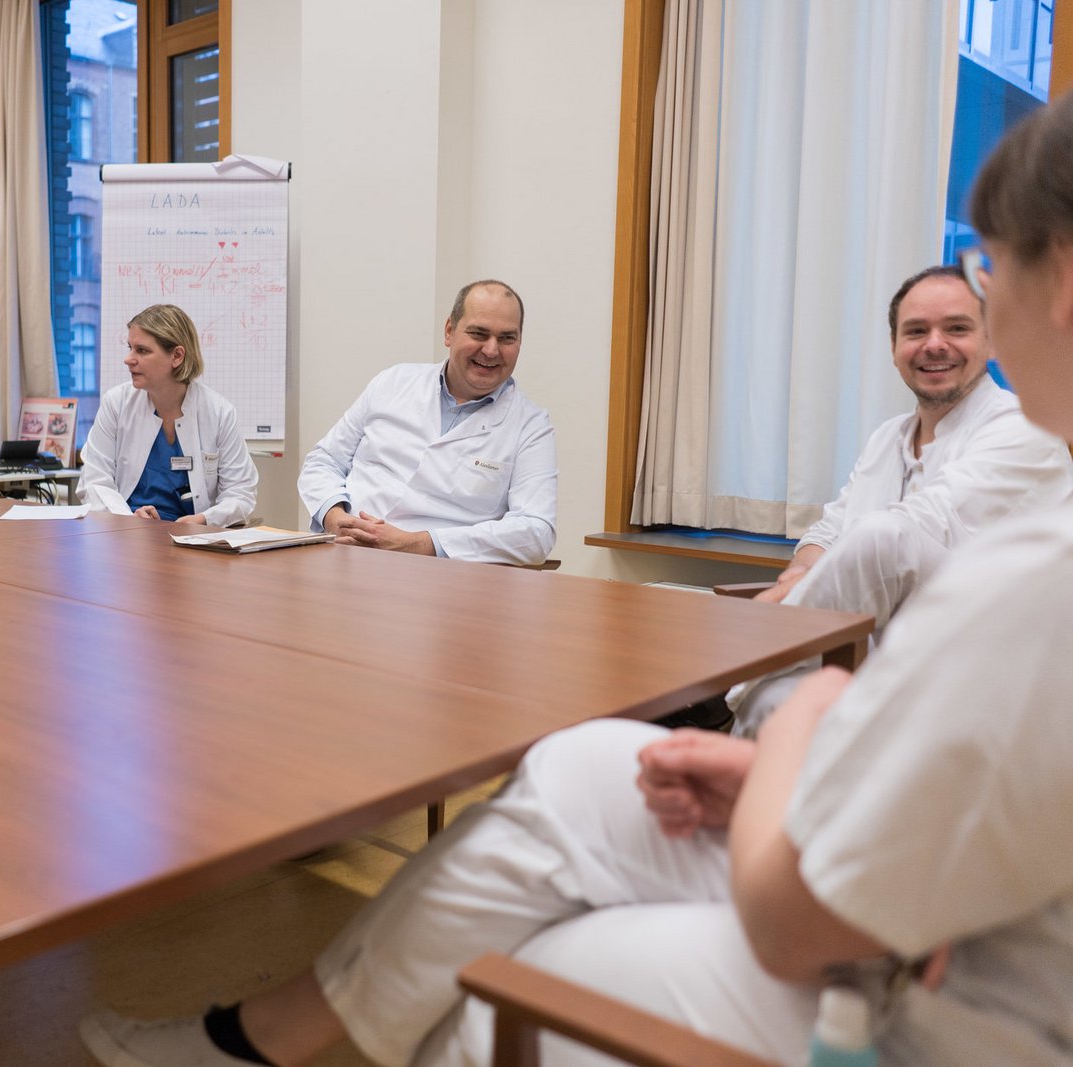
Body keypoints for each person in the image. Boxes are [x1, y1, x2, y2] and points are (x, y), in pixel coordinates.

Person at [80, 96, 1073, 1067]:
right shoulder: (388, 387)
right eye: (929, 315)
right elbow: (858, 569)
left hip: (931, 990)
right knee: (580, 763)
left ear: (1056, 280)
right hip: (907, 875)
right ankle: (261, 1035)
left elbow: (796, 913)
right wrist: (339, 513)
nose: (962, 324)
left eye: (987, 273)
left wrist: (805, 710)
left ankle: (294, 1038)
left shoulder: (1040, 557)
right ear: (448, 330)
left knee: (512, 975)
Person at [723, 264, 1073, 734]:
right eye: (915, 331)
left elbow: (915, 526)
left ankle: (718, 695)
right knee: (777, 699)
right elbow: (831, 530)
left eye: (957, 328)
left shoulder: (1023, 427)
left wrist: (781, 609)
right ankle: (731, 728)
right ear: (893, 350)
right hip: (870, 654)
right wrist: (802, 574)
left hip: (982, 666)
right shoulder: (888, 437)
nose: (934, 344)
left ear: (991, 343)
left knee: (883, 536)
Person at [298, 280, 557, 566]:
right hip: (344, 558)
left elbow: (536, 531)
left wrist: (420, 544)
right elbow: (323, 461)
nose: (491, 350)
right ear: (449, 331)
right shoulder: (393, 382)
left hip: (441, 578)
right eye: (478, 334)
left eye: (507, 338)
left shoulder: (530, 425)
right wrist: (336, 519)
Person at [79, 304, 258, 525]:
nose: (129, 359)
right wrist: (130, 519)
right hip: (125, 534)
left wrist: (204, 519)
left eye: (142, 350)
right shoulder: (116, 404)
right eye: (130, 347)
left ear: (177, 356)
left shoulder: (219, 412)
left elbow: (240, 492)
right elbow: (95, 482)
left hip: (193, 542)